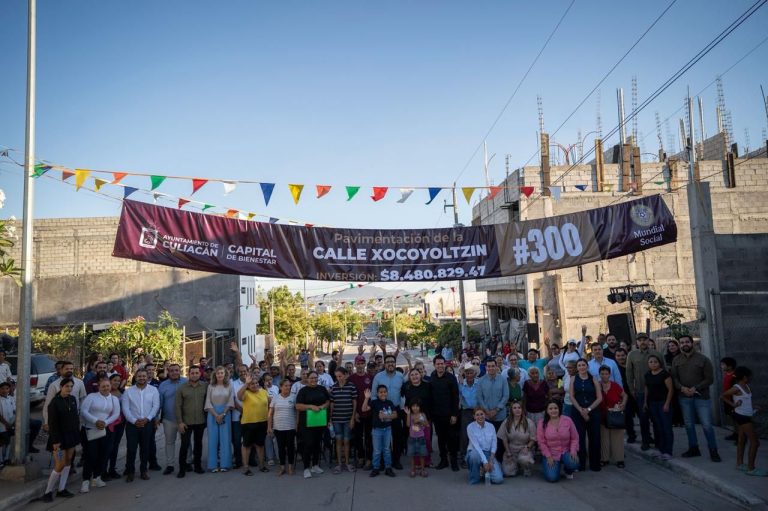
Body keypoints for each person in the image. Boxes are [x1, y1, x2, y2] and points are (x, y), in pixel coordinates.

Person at [671, 335, 721, 462]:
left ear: (692, 343)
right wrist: (682, 388)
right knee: (688, 424)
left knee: (707, 425)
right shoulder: (676, 360)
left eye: (687, 342)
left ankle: (713, 450)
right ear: (679, 345)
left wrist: (695, 388)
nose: (684, 344)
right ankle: (693, 448)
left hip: (701, 397)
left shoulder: (703, 359)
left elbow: (709, 379)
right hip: (684, 397)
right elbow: (674, 378)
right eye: (681, 342)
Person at [79, 376, 121, 493]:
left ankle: (97, 477)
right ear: (98, 387)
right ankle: (86, 481)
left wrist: (105, 423)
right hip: (90, 429)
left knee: (104, 454)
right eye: (103, 386)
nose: (106, 388)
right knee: (90, 456)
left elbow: (116, 414)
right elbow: (84, 411)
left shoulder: (114, 399)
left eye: (108, 386)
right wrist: (95, 421)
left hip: (105, 430)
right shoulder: (91, 397)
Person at [721, 367, 764, 476]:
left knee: (742, 440)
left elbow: (746, 401)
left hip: (745, 415)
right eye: (749, 376)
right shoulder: (737, 388)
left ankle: (740, 464)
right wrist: (734, 405)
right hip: (742, 417)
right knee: (755, 442)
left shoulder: (747, 386)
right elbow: (723, 396)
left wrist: (754, 407)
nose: (751, 378)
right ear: (745, 377)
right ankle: (751, 468)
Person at [42, 378, 80, 502]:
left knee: (68, 461)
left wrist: (76, 435)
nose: (69, 388)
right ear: (61, 387)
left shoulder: (73, 400)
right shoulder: (54, 403)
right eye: (67, 386)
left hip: (72, 437)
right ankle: (48, 492)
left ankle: (61, 489)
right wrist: (56, 441)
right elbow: (52, 424)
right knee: (60, 464)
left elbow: (75, 419)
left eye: (71, 386)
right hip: (58, 439)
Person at [121, 368, 160, 482]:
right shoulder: (128, 391)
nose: (142, 378)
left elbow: (155, 406)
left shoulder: (153, 390)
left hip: (147, 423)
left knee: (145, 448)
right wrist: (134, 421)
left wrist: (147, 419)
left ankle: (144, 471)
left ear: (147, 377)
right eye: (139, 376)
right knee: (131, 449)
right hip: (132, 425)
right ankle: (130, 471)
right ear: (135, 377)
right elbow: (125, 408)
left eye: (144, 376)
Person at [626, 333, 662, 450]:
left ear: (648, 340)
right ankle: (645, 440)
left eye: (644, 340)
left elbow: (664, 372)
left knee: (657, 418)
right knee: (643, 418)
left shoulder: (656, 354)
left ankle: (659, 441)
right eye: (640, 340)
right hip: (640, 392)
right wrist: (632, 389)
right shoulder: (632, 355)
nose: (642, 342)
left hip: (656, 392)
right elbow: (629, 373)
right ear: (637, 342)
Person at [371, 354, 405, 470]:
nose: (390, 363)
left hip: (395, 410)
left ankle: (396, 460)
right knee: (383, 438)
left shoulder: (400, 376)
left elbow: (404, 391)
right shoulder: (378, 377)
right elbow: (373, 396)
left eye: (392, 362)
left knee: (397, 436)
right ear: (384, 364)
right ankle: (382, 462)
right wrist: (379, 411)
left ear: (395, 364)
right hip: (381, 411)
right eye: (388, 362)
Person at [295, 371, 331, 478]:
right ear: (307, 379)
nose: (313, 380)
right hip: (306, 423)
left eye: (315, 378)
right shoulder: (303, 391)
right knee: (308, 444)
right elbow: (298, 406)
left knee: (317, 444)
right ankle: (306, 468)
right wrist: (311, 406)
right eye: (311, 378)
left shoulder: (322, 389)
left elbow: (328, 401)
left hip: (319, 422)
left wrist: (323, 406)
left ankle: (315, 465)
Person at [569, 358, 603, 472]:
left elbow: (599, 398)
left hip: (593, 412)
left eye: (583, 365)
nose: (582, 367)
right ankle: (581, 464)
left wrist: (588, 410)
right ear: (577, 367)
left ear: (587, 366)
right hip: (577, 412)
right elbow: (572, 396)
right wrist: (581, 410)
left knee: (595, 438)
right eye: (579, 365)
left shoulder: (594, 379)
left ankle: (595, 464)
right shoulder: (573, 379)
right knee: (579, 438)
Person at [175, 365, 208, 478]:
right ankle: (182, 469)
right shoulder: (182, 388)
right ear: (189, 374)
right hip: (186, 422)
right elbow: (177, 406)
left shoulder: (205, 386)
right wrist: (180, 422)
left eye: (196, 373)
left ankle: (198, 466)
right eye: (192, 373)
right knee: (184, 445)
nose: (194, 375)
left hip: (200, 421)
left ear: (200, 374)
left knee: (198, 444)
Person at [430, 355, 460, 471]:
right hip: (437, 415)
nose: (440, 366)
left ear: (445, 364)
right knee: (441, 439)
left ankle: (453, 461)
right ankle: (443, 460)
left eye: (442, 363)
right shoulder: (432, 377)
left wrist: (454, 414)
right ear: (434, 365)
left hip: (449, 415)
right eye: (438, 364)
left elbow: (455, 397)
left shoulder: (451, 378)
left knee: (452, 438)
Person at [538, 400, 579, 483]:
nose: (553, 410)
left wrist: (573, 451)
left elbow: (575, 438)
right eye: (550, 409)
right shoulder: (542, 423)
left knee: (574, 463)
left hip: (565, 451)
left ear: (559, 409)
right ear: (547, 410)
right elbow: (541, 442)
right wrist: (548, 456)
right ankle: (554, 466)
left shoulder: (567, 420)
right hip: (551, 453)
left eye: (555, 408)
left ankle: (568, 470)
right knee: (552, 478)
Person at [157, 363, 186, 475]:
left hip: (184, 419)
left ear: (180, 371)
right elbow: (159, 402)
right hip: (168, 419)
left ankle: (187, 462)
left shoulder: (186, 382)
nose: (174, 372)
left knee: (186, 442)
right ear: (168, 372)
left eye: (176, 370)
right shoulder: (163, 385)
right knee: (169, 442)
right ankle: (170, 465)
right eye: (172, 370)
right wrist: (157, 417)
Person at [238, 371, 269, 475]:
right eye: (252, 384)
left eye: (256, 383)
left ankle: (262, 465)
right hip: (248, 423)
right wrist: (246, 384)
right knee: (247, 446)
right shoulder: (246, 393)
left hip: (262, 422)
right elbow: (238, 396)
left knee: (260, 445)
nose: (255, 385)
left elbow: (270, 402)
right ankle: (246, 468)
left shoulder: (263, 392)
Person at [362, 385, 397, 477]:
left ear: (387, 393)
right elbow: (364, 409)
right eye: (381, 392)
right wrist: (366, 398)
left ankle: (388, 468)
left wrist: (385, 416)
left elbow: (395, 415)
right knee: (377, 450)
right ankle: (376, 468)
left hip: (387, 429)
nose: (383, 393)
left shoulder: (390, 402)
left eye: (384, 391)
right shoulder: (374, 402)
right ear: (377, 393)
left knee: (387, 449)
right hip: (377, 430)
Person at [205, 366, 235, 472]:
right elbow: (208, 401)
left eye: (222, 373)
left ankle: (225, 464)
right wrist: (215, 415)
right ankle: (213, 465)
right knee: (213, 440)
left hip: (225, 413)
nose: (220, 375)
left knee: (225, 439)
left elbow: (231, 401)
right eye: (218, 373)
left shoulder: (229, 386)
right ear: (215, 375)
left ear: (225, 374)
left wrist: (223, 414)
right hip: (212, 414)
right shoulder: (211, 386)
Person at [644, 354, 674, 460]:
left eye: (655, 362)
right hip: (652, 404)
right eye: (651, 362)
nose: (653, 364)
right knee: (658, 427)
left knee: (666, 427)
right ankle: (661, 450)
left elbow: (670, 389)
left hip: (663, 403)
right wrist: (645, 402)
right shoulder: (647, 374)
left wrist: (667, 403)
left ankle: (668, 451)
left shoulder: (665, 374)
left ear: (660, 362)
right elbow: (647, 388)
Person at [43, 361, 87, 431]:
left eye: (71, 369)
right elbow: (48, 404)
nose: (69, 370)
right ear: (61, 370)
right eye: (67, 369)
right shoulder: (54, 385)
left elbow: (83, 401)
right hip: (58, 418)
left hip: (75, 417)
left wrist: (81, 418)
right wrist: (46, 421)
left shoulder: (79, 383)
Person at [598, 366, 627, 468]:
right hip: (602, 415)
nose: (604, 376)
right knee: (604, 438)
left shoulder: (615, 385)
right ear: (599, 374)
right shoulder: (597, 385)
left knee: (617, 438)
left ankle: (619, 459)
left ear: (609, 374)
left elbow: (625, 395)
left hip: (615, 414)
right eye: (602, 374)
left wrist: (623, 404)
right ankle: (604, 459)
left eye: (606, 373)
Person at [330, 367, 358, 473]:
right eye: (336, 377)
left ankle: (347, 463)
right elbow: (332, 403)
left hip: (347, 419)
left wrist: (352, 418)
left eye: (340, 376)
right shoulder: (333, 387)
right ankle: (339, 464)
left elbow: (354, 402)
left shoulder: (351, 386)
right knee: (338, 440)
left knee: (346, 441)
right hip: (336, 419)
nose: (338, 378)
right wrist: (330, 418)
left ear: (346, 375)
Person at [497, 402, 536, 477]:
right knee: (507, 472)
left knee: (524, 459)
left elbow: (533, 439)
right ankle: (515, 466)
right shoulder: (507, 422)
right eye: (514, 408)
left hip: (524, 448)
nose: (517, 410)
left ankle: (526, 468)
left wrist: (527, 447)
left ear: (522, 410)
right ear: (511, 410)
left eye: (519, 408)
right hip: (511, 448)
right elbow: (504, 439)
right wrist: (508, 453)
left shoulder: (529, 422)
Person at [465, 408, 503, 485]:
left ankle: (484, 469)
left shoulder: (491, 426)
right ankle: (475, 478)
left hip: (488, 453)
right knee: (474, 456)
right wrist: (485, 462)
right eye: (477, 415)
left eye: (482, 414)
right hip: (476, 452)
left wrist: (491, 460)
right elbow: (476, 446)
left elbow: (494, 443)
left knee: (498, 479)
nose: (480, 417)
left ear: (485, 415)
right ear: (474, 417)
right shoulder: (470, 427)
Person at [349, 358, 374, 469]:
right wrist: (354, 413)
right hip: (356, 413)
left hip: (369, 413)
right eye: (358, 363)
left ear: (365, 364)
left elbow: (374, 396)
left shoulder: (371, 378)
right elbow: (349, 397)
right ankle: (360, 457)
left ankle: (369, 459)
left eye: (362, 363)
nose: (360, 365)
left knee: (369, 437)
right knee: (358, 437)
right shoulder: (351, 379)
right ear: (355, 365)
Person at [269, 378, 297, 475]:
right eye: (286, 385)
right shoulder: (275, 398)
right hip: (278, 427)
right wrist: (269, 427)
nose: (288, 387)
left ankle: (290, 467)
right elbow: (270, 413)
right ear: (280, 387)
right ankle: (282, 467)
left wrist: (297, 425)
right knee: (280, 448)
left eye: (289, 385)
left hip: (290, 427)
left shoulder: (294, 397)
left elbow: (297, 412)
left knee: (290, 447)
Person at [104, 374, 125, 480]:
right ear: (110, 381)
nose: (116, 382)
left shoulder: (122, 392)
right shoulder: (105, 393)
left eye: (118, 380)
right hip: (108, 424)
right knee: (108, 447)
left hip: (120, 424)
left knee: (115, 447)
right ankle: (103, 471)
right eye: (114, 380)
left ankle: (112, 469)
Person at [459, 364, 479, 469]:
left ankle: (477, 456)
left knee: (478, 434)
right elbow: (460, 397)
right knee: (465, 434)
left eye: (471, 373)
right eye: (467, 373)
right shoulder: (461, 384)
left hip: (478, 410)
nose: (469, 375)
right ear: (465, 374)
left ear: (475, 374)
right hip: (466, 411)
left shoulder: (479, 383)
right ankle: (463, 456)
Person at [405, 398, 429, 477]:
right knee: (412, 455)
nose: (415, 408)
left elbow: (427, 424)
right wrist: (408, 414)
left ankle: (422, 469)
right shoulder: (411, 415)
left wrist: (420, 421)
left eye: (417, 406)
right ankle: (413, 469)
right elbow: (408, 425)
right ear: (411, 407)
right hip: (412, 438)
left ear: (420, 407)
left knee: (422, 455)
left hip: (421, 438)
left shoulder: (422, 414)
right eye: (413, 406)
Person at [230, 364, 248, 469]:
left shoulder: (250, 382)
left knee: (249, 439)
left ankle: (250, 459)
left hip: (250, 416)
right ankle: (238, 460)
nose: (242, 373)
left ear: (247, 371)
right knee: (236, 440)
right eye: (240, 371)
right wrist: (241, 410)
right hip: (236, 416)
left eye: (244, 371)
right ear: (238, 372)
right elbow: (232, 399)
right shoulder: (233, 384)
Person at [664, 341, 684, 427]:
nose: (671, 347)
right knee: (672, 402)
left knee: (681, 402)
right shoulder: (665, 357)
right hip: (669, 382)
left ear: (677, 346)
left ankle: (681, 421)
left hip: (681, 381)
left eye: (673, 345)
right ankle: (673, 420)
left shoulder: (682, 356)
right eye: (669, 346)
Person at [720, 357, 738, 442]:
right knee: (732, 418)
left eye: (723, 365)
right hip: (727, 400)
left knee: (737, 419)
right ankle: (736, 433)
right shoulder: (727, 374)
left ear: (730, 366)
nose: (721, 366)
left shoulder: (734, 376)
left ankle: (740, 437)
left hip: (733, 401)